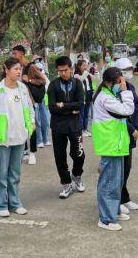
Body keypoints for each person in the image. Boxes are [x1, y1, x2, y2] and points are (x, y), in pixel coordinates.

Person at [0, 57, 36, 217]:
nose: (19, 71)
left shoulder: (22, 88)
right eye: (15, 68)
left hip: (20, 137)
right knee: (2, 173)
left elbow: (29, 108)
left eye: (20, 69)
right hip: (3, 138)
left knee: (15, 173)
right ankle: (2, 204)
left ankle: (14, 203)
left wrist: (32, 123)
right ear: (6, 70)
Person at [92, 67, 135, 231]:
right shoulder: (105, 98)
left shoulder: (109, 95)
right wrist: (125, 92)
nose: (121, 84)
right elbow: (127, 110)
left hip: (116, 145)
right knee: (109, 183)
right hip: (109, 145)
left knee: (116, 182)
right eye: (119, 81)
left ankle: (113, 211)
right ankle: (106, 219)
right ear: (110, 81)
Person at [47, 56, 86, 199]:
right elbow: (51, 107)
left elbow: (80, 104)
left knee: (79, 154)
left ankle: (76, 175)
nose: (63, 73)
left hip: (75, 125)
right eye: (60, 71)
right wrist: (71, 108)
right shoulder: (53, 85)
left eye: (65, 70)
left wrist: (63, 105)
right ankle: (66, 183)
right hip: (58, 127)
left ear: (71, 68)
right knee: (60, 157)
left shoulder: (77, 83)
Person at [11, 45, 47, 165]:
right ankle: (26, 151)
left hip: (30, 101)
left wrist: (29, 80)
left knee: (31, 126)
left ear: (22, 54)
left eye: (15, 53)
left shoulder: (30, 67)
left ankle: (32, 153)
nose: (13, 55)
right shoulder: (15, 67)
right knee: (21, 126)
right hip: (17, 101)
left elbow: (43, 80)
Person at [114, 58, 138, 215]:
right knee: (119, 169)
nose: (129, 72)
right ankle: (117, 200)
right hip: (119, 134)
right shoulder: (114, 89)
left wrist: (135, 123)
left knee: (127, 167)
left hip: (130, 134)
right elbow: (119, 113)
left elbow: (136, 106)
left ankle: (124, 197)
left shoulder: (130, 86)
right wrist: (131, 127)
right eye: (126, 69)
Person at [32, 55, 52, 149]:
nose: (39, 71)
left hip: (44, 101)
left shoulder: (44, 77)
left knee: (46, 121)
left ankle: (45, 138)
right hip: (35, 102)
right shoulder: (31, 77)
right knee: (37, 121)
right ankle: (39, 140)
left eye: (41, 69)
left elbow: (49, 87)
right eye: (38, 69)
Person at [76, 59, 96, 137]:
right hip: (82, 97)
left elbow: (94, 79)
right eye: (83, 65)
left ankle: (85, 129)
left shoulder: (87, 74)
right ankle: (81, 130)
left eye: (86, 65)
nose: (85, 67)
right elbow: (81, 79)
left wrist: (95, 72)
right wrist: (86, 72)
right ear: (79, 66)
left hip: (88, 94)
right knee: (82, 114)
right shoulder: (76, 75)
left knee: (87, 114)